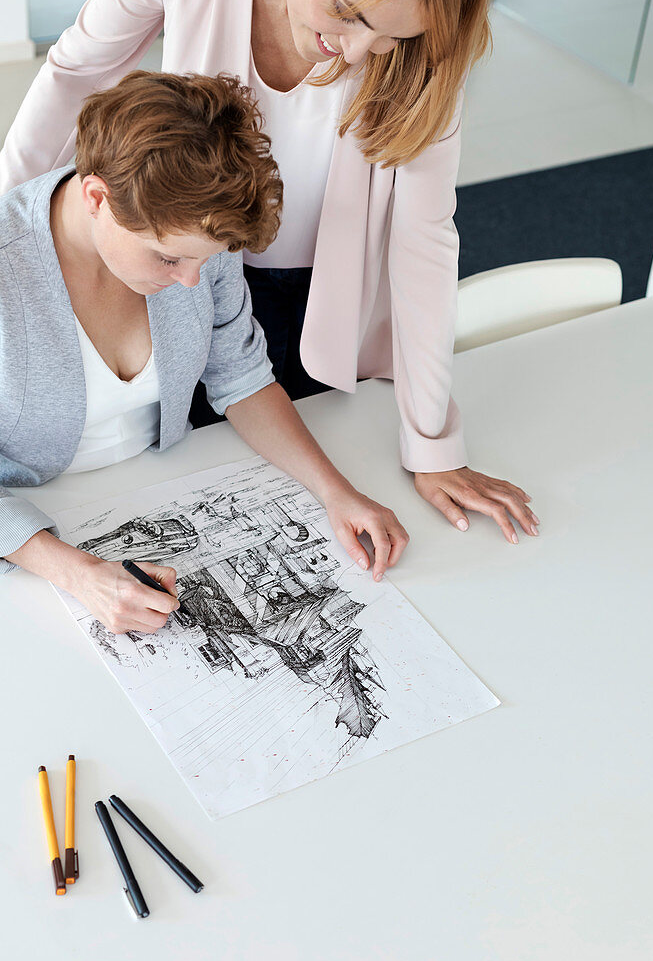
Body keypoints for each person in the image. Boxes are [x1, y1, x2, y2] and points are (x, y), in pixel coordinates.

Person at [0, 0, 540, 545]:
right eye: (346, 12)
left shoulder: (421, 40)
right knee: (172, 456)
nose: (358, 51)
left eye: (391, 37)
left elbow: (425, 239)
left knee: (304, 476)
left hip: (324, 294)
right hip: (189, 265)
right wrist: (18, 240)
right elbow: (75, 75)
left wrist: (432, 443)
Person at [0, 70, 408, 633]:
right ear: (98, 197)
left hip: (164, 486)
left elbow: (241, 377)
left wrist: (336, 493)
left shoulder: (195, 235)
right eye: (169, 260)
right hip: (31, 536)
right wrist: (81, 575)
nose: (193, 282)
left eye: (205, 260)